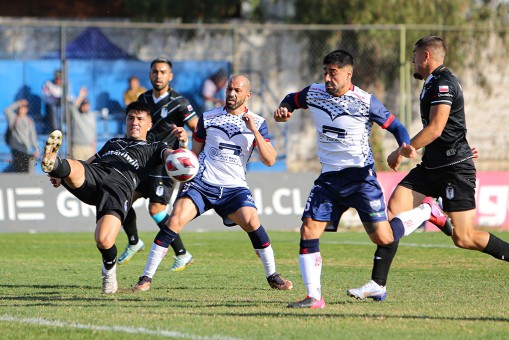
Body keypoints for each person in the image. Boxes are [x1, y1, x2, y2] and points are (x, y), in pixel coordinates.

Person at [274, 49, 452, 309]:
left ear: (349, 73)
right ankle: (314, 297)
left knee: (383, 237)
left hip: (360, 178)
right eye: (325, 72)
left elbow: (395, 125)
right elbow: (292, 98)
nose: (327, 78)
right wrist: (285, 108)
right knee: (309, 229)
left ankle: (427, 210)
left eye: (332, 73)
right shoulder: (314, 93)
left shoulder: (365, 101)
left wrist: (404, 144)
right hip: (328, 179)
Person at [347, 36, 509, 301]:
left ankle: (429, 212)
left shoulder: (443, 83)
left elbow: (436, 128)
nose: (411, 60)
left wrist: (402, 149)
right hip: (431, 166)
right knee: (392, 212)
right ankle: (378, 283)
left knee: (464, 238)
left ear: (425, 56)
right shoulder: (430, 83)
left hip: (454, 169)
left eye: (414, 55)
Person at [132, 74, 293, 292]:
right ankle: (146, 278)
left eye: (237, 90)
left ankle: (273, 276)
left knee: (252, 221)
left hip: (234, 188)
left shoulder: (259, 123)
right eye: (229, 89)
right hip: (202, 183)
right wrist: (183, 146)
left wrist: (254, 130)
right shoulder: (208, 118)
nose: (231, 94)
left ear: (248, 95)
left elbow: (270, 159)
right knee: (175, 220)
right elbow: (194, 156)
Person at [41, 101, 188, 294]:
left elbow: (175, 157)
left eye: (140, 119)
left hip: (119, 189)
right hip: (94, 174)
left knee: (103, 240)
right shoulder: (113, 142)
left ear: (149, 124)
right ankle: (54, 165)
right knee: (74, 165)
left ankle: (108, 274)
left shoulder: (155, 147)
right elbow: (87, 163)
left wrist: (183, 144)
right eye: (130, 118)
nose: (134, 122)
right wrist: (62, 177)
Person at [117, 57, 198, 272]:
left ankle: (182, 253)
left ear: (170, 76)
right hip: (143, 160)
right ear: (150, 74)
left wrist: (185, 137)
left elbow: (197, 128)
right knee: (122, 199)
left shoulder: (179, 102)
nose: (158, 75)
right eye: (155, 72)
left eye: (163, 72)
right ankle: (134, 241)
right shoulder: (142, 98)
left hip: (165, 162)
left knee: (156, 209)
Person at [4, 99, 39, 173]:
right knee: (19, 169)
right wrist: (18, 103)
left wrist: (36, 148)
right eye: (20, 107)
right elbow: (6, 111)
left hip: (25, 148)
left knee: (25, 170)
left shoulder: (29, 121)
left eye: (23, 107)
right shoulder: (14, 118)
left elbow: (32, 136)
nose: (21, 109)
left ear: (27, 109)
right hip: (16, 148)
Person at [70, 87, 96, 160]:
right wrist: (81, 96)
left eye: (86, 105)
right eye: (83, 104)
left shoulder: (91, 116)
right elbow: (73, 107)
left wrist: (93, 148)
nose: (85, 106)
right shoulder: (76, 114)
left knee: (88, 169)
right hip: (78, 146)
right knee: (78, 168)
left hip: (89, 147)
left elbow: (94, 133)